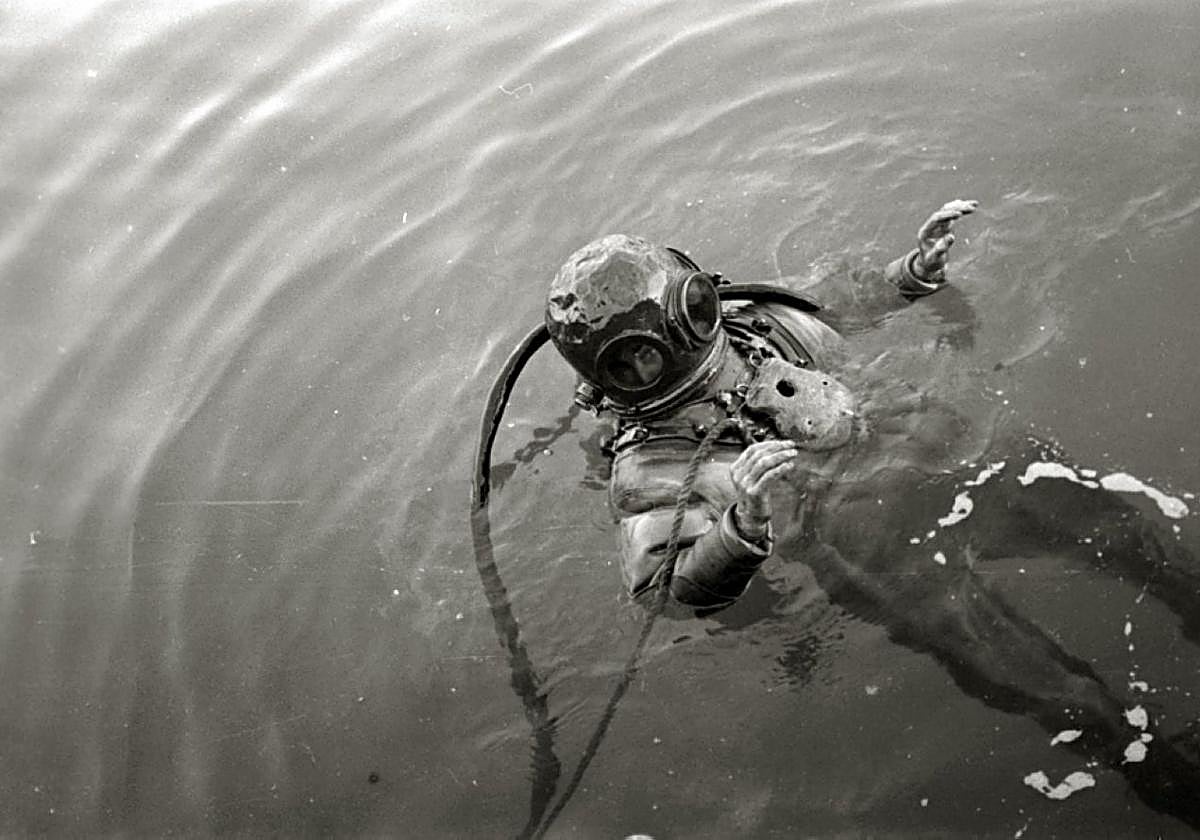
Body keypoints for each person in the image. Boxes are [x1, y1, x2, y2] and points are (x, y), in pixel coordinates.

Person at [543, 200, 978, 610]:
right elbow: (661, 588)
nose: (652, 359)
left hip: (935, 449)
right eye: (632, 361)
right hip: (873, 546)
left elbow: (842, 304)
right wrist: (742, 525)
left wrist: (915, 271)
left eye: (691, 311)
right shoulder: (653, 470)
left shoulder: (757, 325)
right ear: (610, 378)